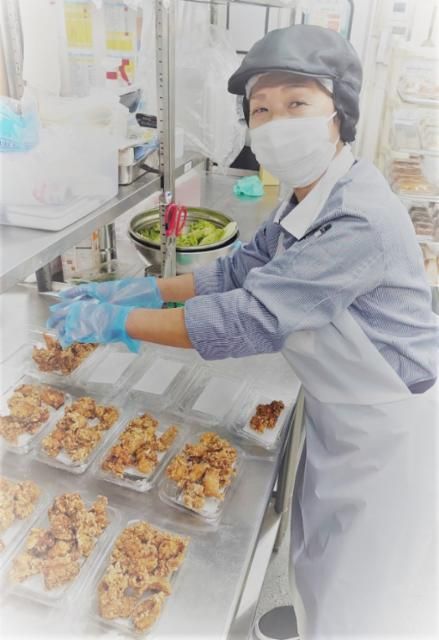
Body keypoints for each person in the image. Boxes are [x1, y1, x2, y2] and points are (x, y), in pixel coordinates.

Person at [49, 25, 438, 640]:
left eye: (297, 103)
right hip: (346, 420)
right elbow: (239, 269)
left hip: (387, 436)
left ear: (339, 113)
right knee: (321, 566)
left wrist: (116, 322)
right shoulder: (308, 197)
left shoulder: (357, 216)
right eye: (261, 109)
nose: (277, 123)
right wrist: (140, 289)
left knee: (362, 597)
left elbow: (249, 318)